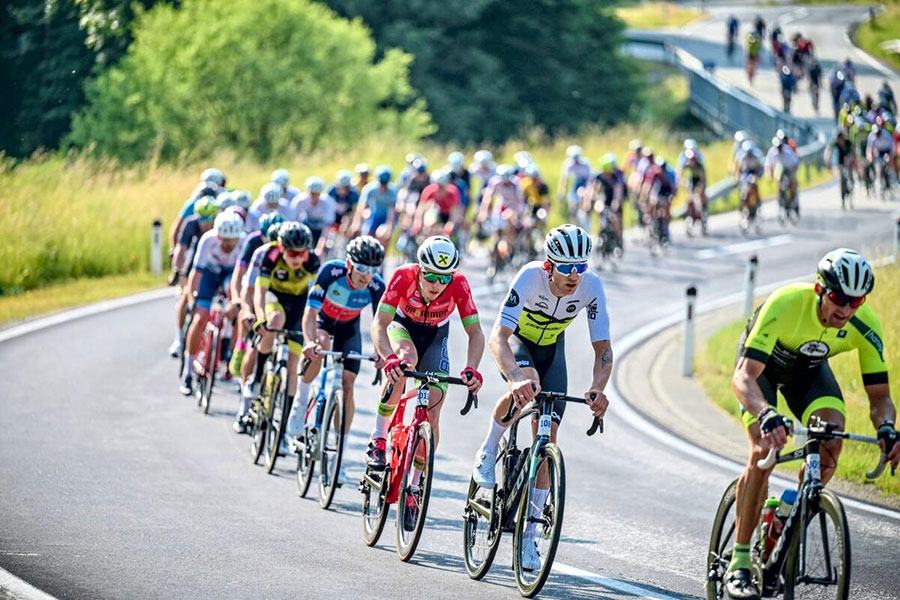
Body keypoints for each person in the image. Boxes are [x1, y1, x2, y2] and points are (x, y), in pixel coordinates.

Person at [724, 249, 898, 600]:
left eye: (856, 301)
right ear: (820, 289)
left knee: (831, 438)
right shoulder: (786, 303)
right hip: (762, 372)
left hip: (809, 376)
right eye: (838, 298)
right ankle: (740, 561)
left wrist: (888, 428)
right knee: (764, 446)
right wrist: (765, 413)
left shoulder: (865, 325)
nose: (846, 310)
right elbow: (743, 377)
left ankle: (788, 510)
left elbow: (879, 397)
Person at [470, 224, 611, 571]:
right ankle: (489, 449)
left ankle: (530, 534)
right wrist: (515, 377)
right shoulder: (529, 277)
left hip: (552, 350)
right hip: (519, 343)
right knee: (527, 385)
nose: (574, 275)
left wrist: (598, 388)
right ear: (549, 265)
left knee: (547, 441)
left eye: (580, 266)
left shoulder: (591, 285)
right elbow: (498, 338)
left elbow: (603, 350)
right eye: (566, 267)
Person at [365, 236, 485, 485]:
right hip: (403, 327)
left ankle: (417, 482)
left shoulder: (459, 284)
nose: (437, 284)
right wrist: (388, 357)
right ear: (419, 270)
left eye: (444, 277)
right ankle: (378, 437)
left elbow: (475, 332)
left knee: (433, 412)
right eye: (430, 276)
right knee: (405, 362)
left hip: (435, 335)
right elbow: (380, 323)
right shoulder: (403, 276)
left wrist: (472, 367)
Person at [287, 236, 387, 482]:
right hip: (323, 323)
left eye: (372, 270)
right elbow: (310, 313)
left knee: (348, 384)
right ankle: (300, 404)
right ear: (349, 264)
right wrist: (309, 341)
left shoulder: (376, 287)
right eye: (361, 268)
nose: (366, 275)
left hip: (348, 329)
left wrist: (381, 352)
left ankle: (338, 457)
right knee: (320, 346)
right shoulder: (330, 271)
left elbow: (380, 325)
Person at [240, 222, 321, 429]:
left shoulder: (312, 261)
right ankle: (257, 379)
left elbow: (317, 299)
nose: (297, 258)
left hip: (299, 303)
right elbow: (259, 292)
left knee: (293, 367)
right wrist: (260, 318)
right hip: (274, 297)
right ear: (282, 248)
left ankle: (283, 429)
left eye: (301, 253)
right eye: (292, 253)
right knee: (274, 321)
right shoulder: (271, 256)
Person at [179, 212, 245, 395]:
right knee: (200, 318)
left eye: (232, 240)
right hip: (209, 274)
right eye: (225, 240)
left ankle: (228, 355)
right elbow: (196, 273)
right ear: (218, 236)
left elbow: (242, 280)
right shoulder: (208, 241)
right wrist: (192, 300)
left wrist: (237, 302)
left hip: (231, 276)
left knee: (237, 309)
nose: (229, 245)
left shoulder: (244, 242)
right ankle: (188, 371)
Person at [168, 197, 219, 357]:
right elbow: (181, 250)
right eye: (202, 218)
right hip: (193, 263)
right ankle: (178, 339)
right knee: (186, 296)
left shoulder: (220, 227)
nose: (206, 222)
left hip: (212, 265)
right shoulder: (191, 224)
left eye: (210, 218)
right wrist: (176, 270)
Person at [351, 165, 398, 250]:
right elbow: (361, 207)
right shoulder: (369, 189)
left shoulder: (392, 192)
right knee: (366, 237)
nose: (383, 186)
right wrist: (356, 224)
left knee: (383, 235)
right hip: (373, 217)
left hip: (385, 218)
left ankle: (382, 257)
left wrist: (389, 227)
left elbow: (392, 212)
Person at [291, 176, 337, 253]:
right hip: (307, 225)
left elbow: (327, 226)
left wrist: (320, 247)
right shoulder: (299, 201)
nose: (314, 197)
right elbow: (293, 221)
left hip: (322, 227)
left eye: (317, 194)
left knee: (328, 243)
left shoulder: (328, 202)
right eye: (312, 194)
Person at [558, 145, 592, 227]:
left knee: (586, 202)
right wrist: (562, 192)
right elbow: (564, 180)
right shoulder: (568, 164)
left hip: (585, 183)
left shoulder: (586, 163)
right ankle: (573, 220)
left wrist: (588, 193)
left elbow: (590, 180)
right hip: (576, 183)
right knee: (572, 203)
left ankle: (587, 222)